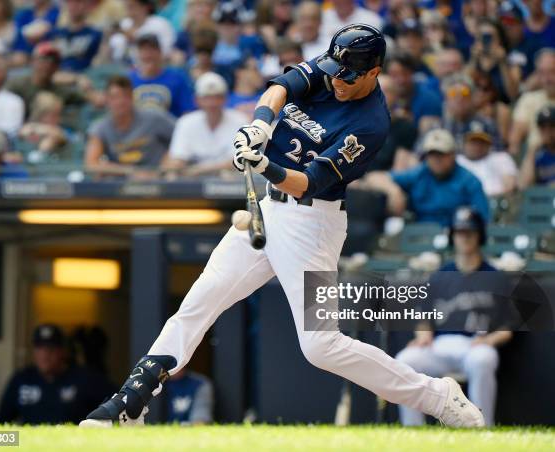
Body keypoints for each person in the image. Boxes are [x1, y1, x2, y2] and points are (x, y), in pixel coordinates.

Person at [81, 25, 485, 429]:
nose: (337, 81)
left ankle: (437, 395)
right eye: (336, 71)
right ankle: (131, 402)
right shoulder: (331, 71)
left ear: (373, 73)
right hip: (267, 211)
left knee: (320, 346)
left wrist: (264, 166)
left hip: (312, 223)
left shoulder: (371, 124)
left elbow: (309, 181)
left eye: (348, 77)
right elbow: (280, 88)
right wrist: (258, 125)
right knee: (199, 302)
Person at [396, 207, 513, 426]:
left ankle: (482, 428)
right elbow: (424, 318)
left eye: (470, 232)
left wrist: (488, 341)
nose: (465, 237)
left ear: (479, 235)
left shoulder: (495, 277)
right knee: (406, 360)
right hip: (441, 344)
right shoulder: (441, 275)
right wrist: (423, 336)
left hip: (475, 345)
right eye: (460, 232)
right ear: (452, 236)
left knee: (484, 358)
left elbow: (507, 328)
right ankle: (412, 430)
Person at [363, 128, 490, 226]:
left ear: (453, 155)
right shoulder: (420, 173)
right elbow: (373, 178)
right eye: (432, 154)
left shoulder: (469, 181)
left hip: (456, 235)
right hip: (420, 236)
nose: (436, 160)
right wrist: (394, 191)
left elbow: (483, 220)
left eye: (441, 154)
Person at [0, 324, 115, 424]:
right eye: (40, 348)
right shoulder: (22, 379)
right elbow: (0, 423)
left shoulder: (86, 378)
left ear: (63, 351)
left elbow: (119, 407)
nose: (45, 355)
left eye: (51, 349)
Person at [85, 75, 175, 177]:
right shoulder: (100, 127)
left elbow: (181, 138)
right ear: (107, 99)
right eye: (114, 97)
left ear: (132, 98)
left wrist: (163, 167)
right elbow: (92, 164)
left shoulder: (155, 118)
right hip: (120, 183)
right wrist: (131, 172)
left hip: (159, 181)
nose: (120, 102)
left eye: (125, 96)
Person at [165, 72, 247, 175]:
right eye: (206, 98)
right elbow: (178, 157)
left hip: (232, 181)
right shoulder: (186, 122)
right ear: (196, 100)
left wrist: (199, 169)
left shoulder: (239, 120)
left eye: (217, 97)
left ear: (225, 99)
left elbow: (240, 160)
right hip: (193, 183)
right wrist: (174, 166)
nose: (212, 103)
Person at [130, 33, 195, 117]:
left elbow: (187, 112)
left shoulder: (177, 78)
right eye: (143, 50)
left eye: (152, 49)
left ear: (160, 52)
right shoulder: (129, 80)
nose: (148, 55)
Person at [509, 49, 555, 156]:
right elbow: (514, 142)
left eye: (552, 72)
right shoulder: (528, 99)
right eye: (542, 73)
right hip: (536, 160)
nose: (547, 79)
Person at [456, 122, 518, 197]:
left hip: (495, 202)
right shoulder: (456, 161)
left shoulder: (501, 158)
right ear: (464, 143)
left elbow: (510, 186)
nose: (477, 146)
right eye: (473, 142)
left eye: (481, 142)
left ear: (489, 143)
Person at [441, 74, 501, 150]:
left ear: (472, 98)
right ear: (446, 100)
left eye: (464, 93)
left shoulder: (487, 125)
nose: (459, 98)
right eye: (453, 93)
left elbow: (498, 155)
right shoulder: (438, 128)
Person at [385, 52, 441, 130]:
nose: (401, 80)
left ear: (413, 73)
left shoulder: (429, 99)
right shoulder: (377, 99)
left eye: (405, 73)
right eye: (394, 74)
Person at [48, 0, 103, 72]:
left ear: (87, 6)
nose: (74, 6)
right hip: (57, 76)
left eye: (78, 2)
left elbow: (99, 62)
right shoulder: (55, 33)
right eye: (70, 2)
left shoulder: (96, 34)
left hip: (84, 76)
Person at [519, 105, 555, 188]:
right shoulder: (537, 155)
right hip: (544, 200)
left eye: (552, 126)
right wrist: (531, 151)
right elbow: (523, 185)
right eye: (543, 127)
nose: (547, 131)